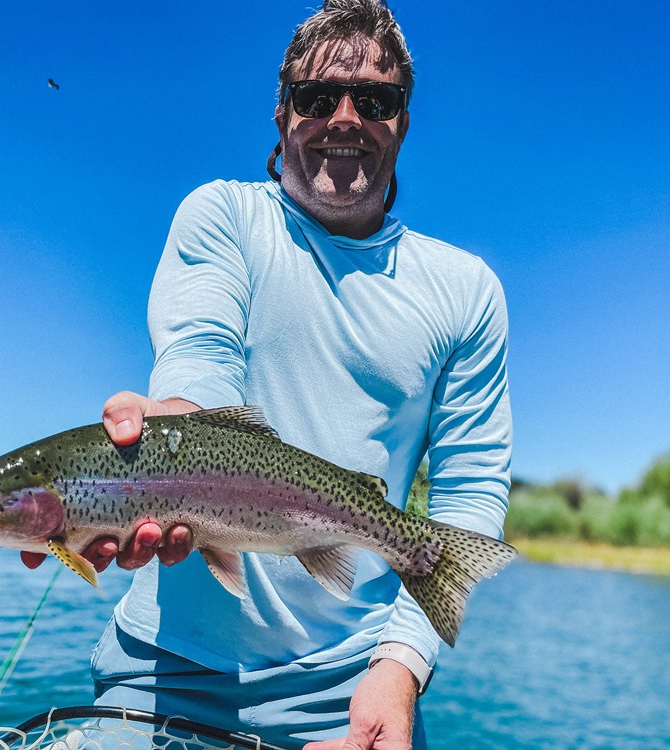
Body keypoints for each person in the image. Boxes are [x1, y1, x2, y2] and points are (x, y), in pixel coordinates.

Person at [37, 2, 512, 748]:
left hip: (354, 683)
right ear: (283, 114)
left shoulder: (467, 289)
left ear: (404, 122)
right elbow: (200, 356)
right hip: (166, 670)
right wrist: (172, 427)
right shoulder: (222, 216)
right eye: (319, 98)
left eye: (375, 100)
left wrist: (401, 664)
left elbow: (471, 483)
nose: (345, 118)